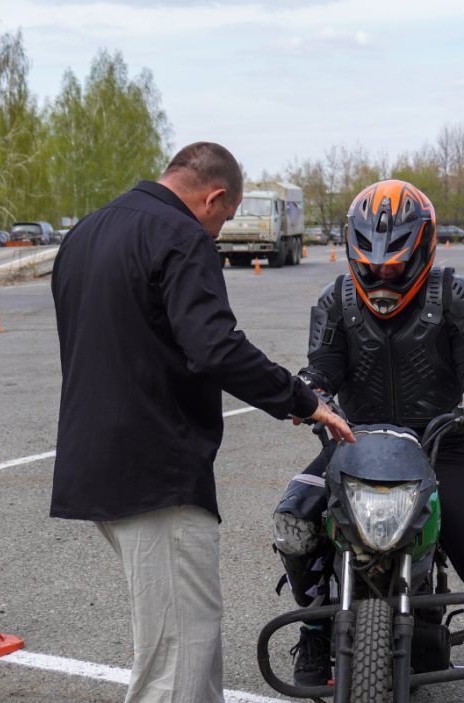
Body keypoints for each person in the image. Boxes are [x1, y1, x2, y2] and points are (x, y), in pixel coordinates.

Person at [50, 141, 353, 703]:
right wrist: (301, 399)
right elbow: (215, 348)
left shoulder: (85, 233)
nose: (217, 233)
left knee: (183, 640)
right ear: (213, 197)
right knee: (176, 660)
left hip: (92, 463)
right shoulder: (180, 236)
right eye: (224, 219)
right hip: (156, 472)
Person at [272, 180, 464, 702]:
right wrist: (310, 391)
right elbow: (322, 368)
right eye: (371, 263)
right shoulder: (336, 299)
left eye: (395, 263)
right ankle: (313, 635)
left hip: (442, 447)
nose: (382, 272)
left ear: (422, 247)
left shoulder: (457, 296)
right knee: (294, 521)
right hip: (353, 443)